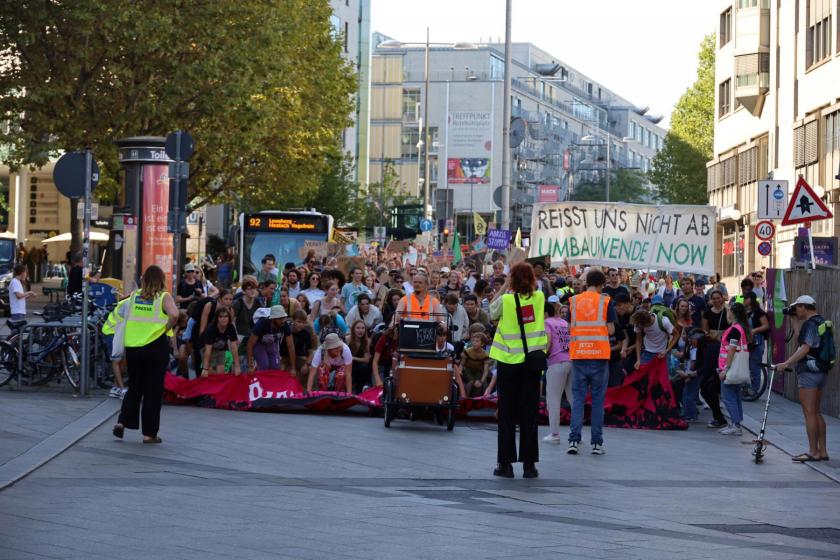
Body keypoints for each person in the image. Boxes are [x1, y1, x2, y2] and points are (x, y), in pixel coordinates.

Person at [488, 263, 547, 479]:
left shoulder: (506, 300)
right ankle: (529, 465)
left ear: (512, 280)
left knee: (507, 415)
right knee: (529, 415)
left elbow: (491, 312)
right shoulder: (539, 298)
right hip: (531, 364)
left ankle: (505, 464)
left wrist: (505, 285)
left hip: (508, 363)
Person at [112, 265, 179, 444]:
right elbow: (174, 314)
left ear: (144, 279)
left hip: (133, 348)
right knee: (153, 391)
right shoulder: (163, 297)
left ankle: (121, 422)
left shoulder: (134, 297)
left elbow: (120, 312)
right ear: (161, 280)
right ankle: (149, 434)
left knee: (134, 387)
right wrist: (165, 328)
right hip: (155, 347)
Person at [776, 295, 832, 462]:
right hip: (820, 371)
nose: (795, 310)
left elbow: (805, 348)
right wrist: (793, 321)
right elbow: (804, 341)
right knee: (815, 412)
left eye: (797, 308)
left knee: (809, 413)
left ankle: (813, 452)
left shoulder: (810, 323)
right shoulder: (820, 322)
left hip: (809, 372)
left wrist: (786, 363)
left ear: (803, 306)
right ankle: (822, 451)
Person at [567, 269, 615, 456]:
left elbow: (571, 328)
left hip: (579, 354)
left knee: (578, 399)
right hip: (599, 355)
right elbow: (611, 330)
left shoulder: (573, 301)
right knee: (597, 401)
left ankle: (573, 440)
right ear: (602, 284)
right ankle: (596, 443)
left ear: (586, 282)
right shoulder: (605, 301)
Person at [716, 302, 750, 436]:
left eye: (728, 310)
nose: (727, 313)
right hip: (733, 368)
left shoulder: (735, 329)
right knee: (734, 396)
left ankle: (735, 425)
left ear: (732, 313)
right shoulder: (740, 328)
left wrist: (725, 369)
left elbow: (731, 350)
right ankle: (736, 423)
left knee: (728, 397)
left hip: (729, 368)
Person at [543, 301, 572, 444]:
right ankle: (577, 434)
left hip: (556, 362)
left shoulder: (546, 322)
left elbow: (547, 341)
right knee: (574, 399)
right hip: (571, 361)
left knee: (553, 399)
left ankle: (554, 434)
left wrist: (542, 353)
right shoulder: (564, 322)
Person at [701, 289, 730, 429]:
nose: (717, 300)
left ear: (723, 298)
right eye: (714, 298)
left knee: (719, 377)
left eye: (719, 298)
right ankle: (717, 410)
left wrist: (719, 336)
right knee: (710, 378)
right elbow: (704, 330)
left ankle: (720, 406)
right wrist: (709, 336)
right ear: (711, 300)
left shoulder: (728, 311)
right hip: (712, 347)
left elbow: (733, 328)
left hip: (725, 347)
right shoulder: (707, 312)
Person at [632, 296, 679, 368]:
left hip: (662, 353)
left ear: (647, 324)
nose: (639, 328)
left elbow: (676, 335)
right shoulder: (638, 323)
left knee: (663, 378)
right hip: (646, 353)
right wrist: (638, 359)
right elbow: (638, 340)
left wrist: (667, 350)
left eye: (642, 327)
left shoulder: (664, 321)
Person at [247, 305, 295, 373]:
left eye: (284, 318)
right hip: (259, 344)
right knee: (264, 365)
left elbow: (291, 346)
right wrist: (250, 365)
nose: (283, 320)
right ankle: (259, 381)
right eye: (280, 318)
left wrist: (293, 368)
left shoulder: (284, 325)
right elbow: (250, 344)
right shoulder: (261, 324)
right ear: (273, 319)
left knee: (275, 367)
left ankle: (271, 383)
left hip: (273, 344)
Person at [199, 308, 241, 376]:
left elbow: (234, 347)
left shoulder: (231, 327)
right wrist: (205, 369)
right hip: (206, 346)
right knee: (210, 372)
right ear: (217, 318)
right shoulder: (211, 328)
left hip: (220, 347)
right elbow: (208, 350)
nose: (223, 319)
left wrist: (237, 366)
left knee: (221, 372)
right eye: (220, 317)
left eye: (225, 316)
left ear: (229, 318)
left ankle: (219, 385)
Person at [743, 291, 770, 395]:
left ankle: (754, 390)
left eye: (745, 298)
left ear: (750, 300)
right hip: (745, 341)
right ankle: (745, 388)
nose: (744, 300)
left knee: (754, 367)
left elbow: (766, 326)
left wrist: (754, 331)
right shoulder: (744, 312)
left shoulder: (759, 312)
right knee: (745, 366)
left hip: (757, 342)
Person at [281, 310, 317, 384]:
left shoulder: (306, 333)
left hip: (299, 357)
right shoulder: (286, 331)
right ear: (293, 320)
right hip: (285, 358)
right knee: (283, 372)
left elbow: (311, 352)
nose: (301, 325)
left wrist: (306, 365)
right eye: (299, 322)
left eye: (303, 323)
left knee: (309, 371)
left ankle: (305, 389)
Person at [346, 320, 372, 393]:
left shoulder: (367, 341)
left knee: (364, 367)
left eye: (363, 328)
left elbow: (366, 359)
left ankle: (363, 389)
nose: (361, 330)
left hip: (361, 366)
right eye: (358, 328)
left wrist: (353, 358)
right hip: (350, 365)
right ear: (353, 329)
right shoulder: (347, 339)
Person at [231, 277, 260, 341]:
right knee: (230, 351)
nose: (252, 291)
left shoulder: (258, 302)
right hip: (239, 336)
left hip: (254, 336)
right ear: (244, 291)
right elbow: (232, 321)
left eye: (254, 288)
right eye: (249, 289)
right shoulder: (237, 303)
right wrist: (235, 336)